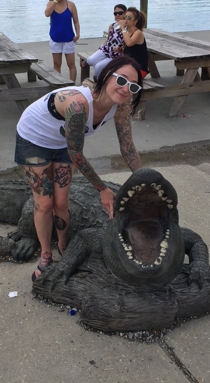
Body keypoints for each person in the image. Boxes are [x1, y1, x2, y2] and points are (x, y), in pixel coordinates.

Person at [15, 56, 143, 281]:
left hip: (64, 142)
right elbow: (77, 154)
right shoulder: (78, 104)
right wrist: (102, 189)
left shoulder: (121, 107)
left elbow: (128, 148)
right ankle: (46, 255)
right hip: (34, 139)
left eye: (132, 85)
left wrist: (144, 180)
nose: (125, 89)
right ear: (106, 75)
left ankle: (63, 244)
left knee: (62, 202)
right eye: (121, 80)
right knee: (44, 203)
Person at [45, 0, 80, 83]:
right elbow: (47, 14)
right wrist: (55, 1)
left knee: (71, 64)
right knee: (56, 64)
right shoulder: (51, 4)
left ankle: (72, 85)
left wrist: (78, 34)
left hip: (68, 39)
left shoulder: (71, 5)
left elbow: (76, 21)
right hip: (55, 39)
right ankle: (58, 84)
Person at [83, 4, 127, 78]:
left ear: (125, 14)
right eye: (115, 13)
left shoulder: (126, 28)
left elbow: (127, 43)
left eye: (120, 13)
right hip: (107, 49)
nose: (117, 15)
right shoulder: (112, 26)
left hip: (116, 54)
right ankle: (102, 75)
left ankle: (98, 81)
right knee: (90, 60)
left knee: (98, 66)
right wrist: (103, 47)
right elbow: (108, 39)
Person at [121, 7, 150, 78]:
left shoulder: (138, 32)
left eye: (129, 18)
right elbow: (128, 49)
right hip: (129, 66)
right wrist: (120, 49)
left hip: (139, 69)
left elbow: (129, 43)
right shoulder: (127, 32)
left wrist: (122, 29)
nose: (126, 19)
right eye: (125, 17)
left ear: (135, 21)